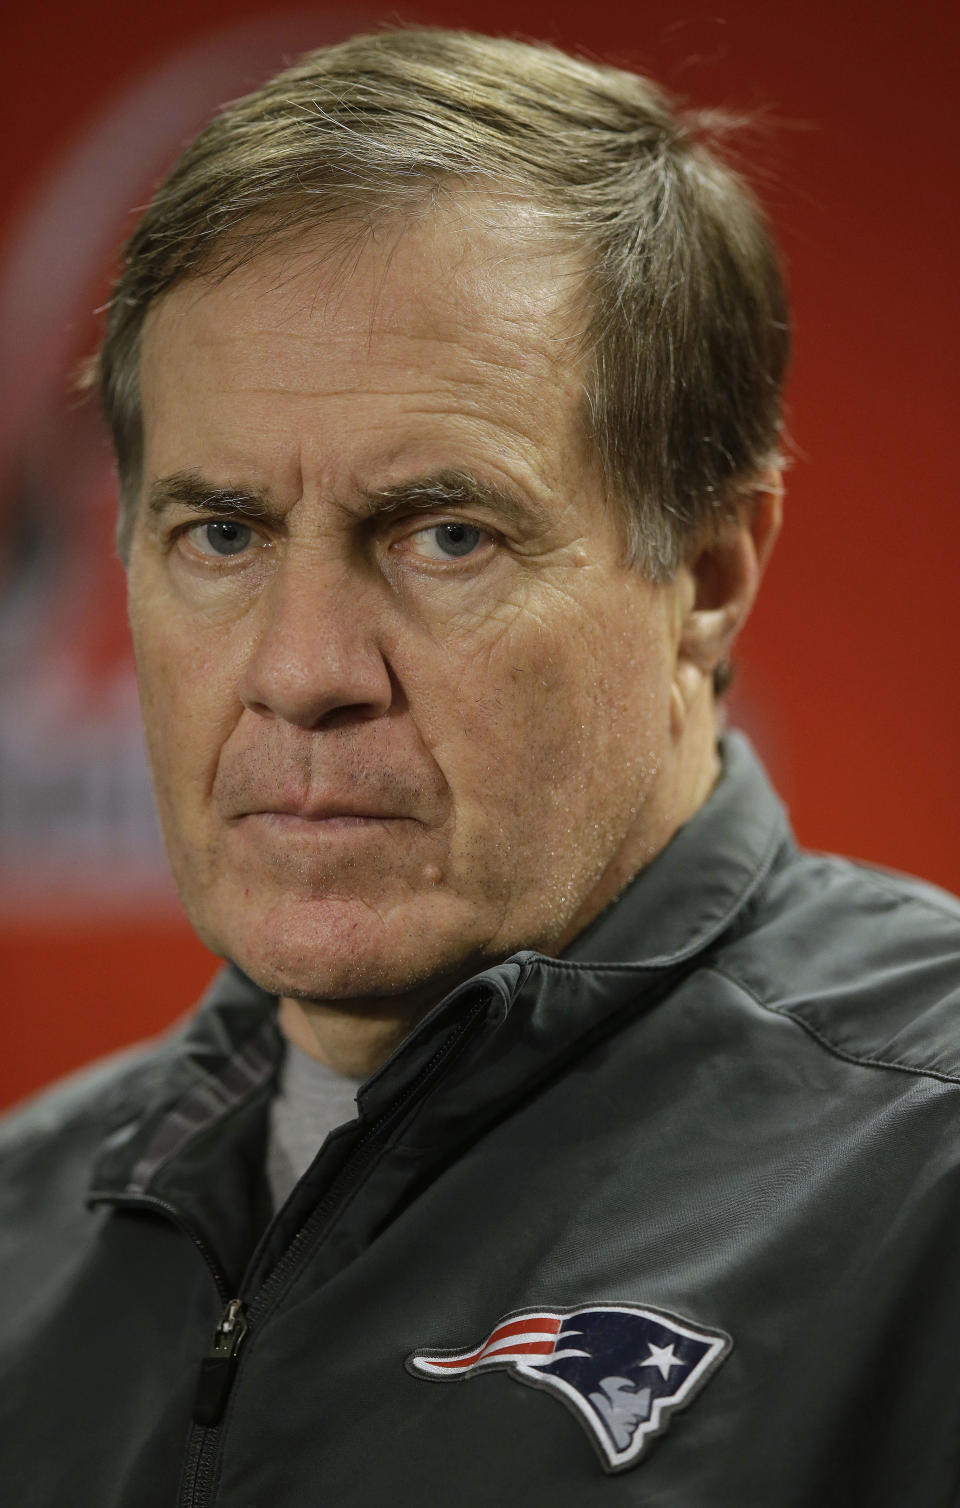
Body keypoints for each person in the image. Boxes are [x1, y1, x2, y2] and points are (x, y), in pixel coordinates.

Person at [1, 27, 958, 1507]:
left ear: (706, 577)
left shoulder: (932, 1173)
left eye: (445, 534)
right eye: (225, 535)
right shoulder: (23, 1230)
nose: (305, 669)